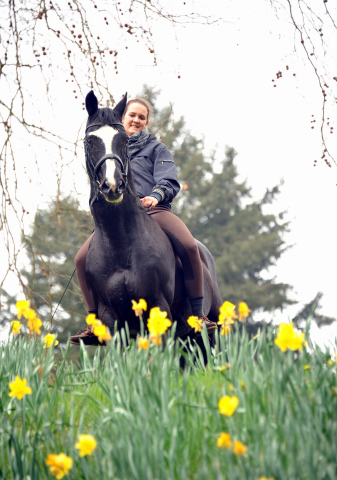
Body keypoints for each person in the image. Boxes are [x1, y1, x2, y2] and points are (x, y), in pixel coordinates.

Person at [71, 98, 217, 344]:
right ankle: (95, 324)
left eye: (141, 117)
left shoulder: (156, 149)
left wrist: (155, 196)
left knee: (191, 246)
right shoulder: (112, 147)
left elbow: (170, 181)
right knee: (80, 259)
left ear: (147, 122)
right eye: (132, 115)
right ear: (122, 118)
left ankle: (198, 313)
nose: (136, 120)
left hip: (154, 211)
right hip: (119, 218)